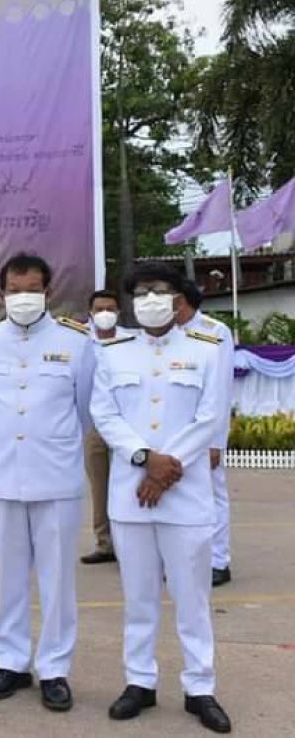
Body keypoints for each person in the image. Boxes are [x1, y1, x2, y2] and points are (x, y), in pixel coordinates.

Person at [92, 262, 232, 734]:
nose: (151, 299)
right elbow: (104, 414)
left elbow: (211, 418)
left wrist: (166, 469)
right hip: (132, 494)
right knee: (139, 599)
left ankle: (200, 687)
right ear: (131, 302)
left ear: (178, 298)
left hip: (185, 494)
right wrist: (143, 458)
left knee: (193, 599)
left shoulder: (206, 349)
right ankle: (139, 681)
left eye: (160, 290)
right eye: (142, 292)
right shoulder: (113, 353)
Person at [0, 253, 93, 713]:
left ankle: (54, 667)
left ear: (48, 292)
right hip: (2, 475)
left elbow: (84, 409)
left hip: (56, 477)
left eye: (33, 290)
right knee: (9, 577)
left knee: (58, 581)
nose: (23, 298)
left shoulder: (77, 342)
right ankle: (11, 662)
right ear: (0, 294)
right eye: (15, 290)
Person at [178, 280, 236, 587]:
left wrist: (216, 441)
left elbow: (221, 390)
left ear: (183, 301)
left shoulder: (214, 332)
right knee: (178, 499)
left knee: (212, 496)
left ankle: (217, 560)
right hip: (173, 432)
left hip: (204, 430)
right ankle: (184, 559)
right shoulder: (163, 333)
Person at [81, 290, 126, 564]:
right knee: (100, 486)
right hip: (93, 423)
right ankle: (105, 543)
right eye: (99, 309)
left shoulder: (131, 341)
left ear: (119, 312)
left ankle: (129, 544)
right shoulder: (80, 342)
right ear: (90, 313)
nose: (105, 314)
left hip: (126, 422)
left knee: (128, 484)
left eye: (110, 308)